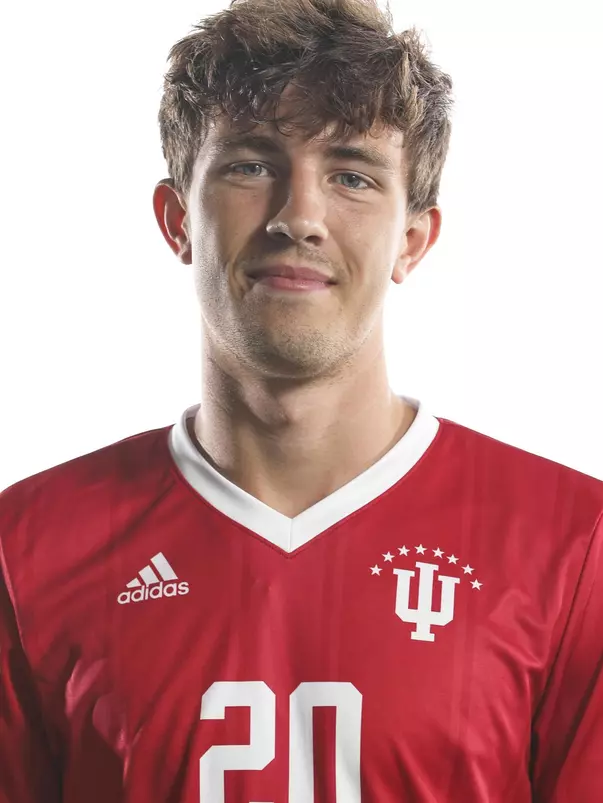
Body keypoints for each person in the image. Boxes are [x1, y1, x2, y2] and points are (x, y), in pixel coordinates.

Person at [1, 0, 602, 800]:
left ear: (414, 239)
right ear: (178, 218)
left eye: (351, 175)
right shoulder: (28, 549)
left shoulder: (572, 548)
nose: (299, 217)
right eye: (251, 164)